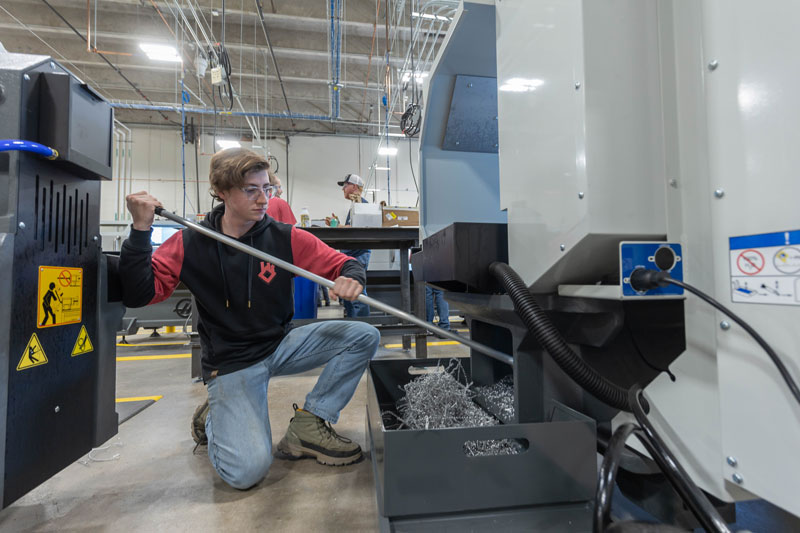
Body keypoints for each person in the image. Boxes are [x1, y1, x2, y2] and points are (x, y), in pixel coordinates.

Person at [119, 148, 379, 490]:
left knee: (363, 336)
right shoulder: (191, 243)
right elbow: (139, 294)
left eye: (267, 188)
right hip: (231, 362)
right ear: (223, 192)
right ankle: (215, 417)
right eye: (251, 190)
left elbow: (342, 263)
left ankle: (310, 423)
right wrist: (140, 230)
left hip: (280, 344)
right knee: (247, 472)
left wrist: (352, 277)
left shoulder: (283, 237)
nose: (263, 199)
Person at [327, 174, 371, 318]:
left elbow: (357, 229)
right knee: (350, 296)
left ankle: (364, 329)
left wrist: (338, 226)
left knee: (357, 294)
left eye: (346, 185)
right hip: (351, 254)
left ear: (355, 187)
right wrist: (338, 224)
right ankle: (354, 326)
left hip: (358, 254)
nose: (343, 189)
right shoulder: (355, 206)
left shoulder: (362, 205)